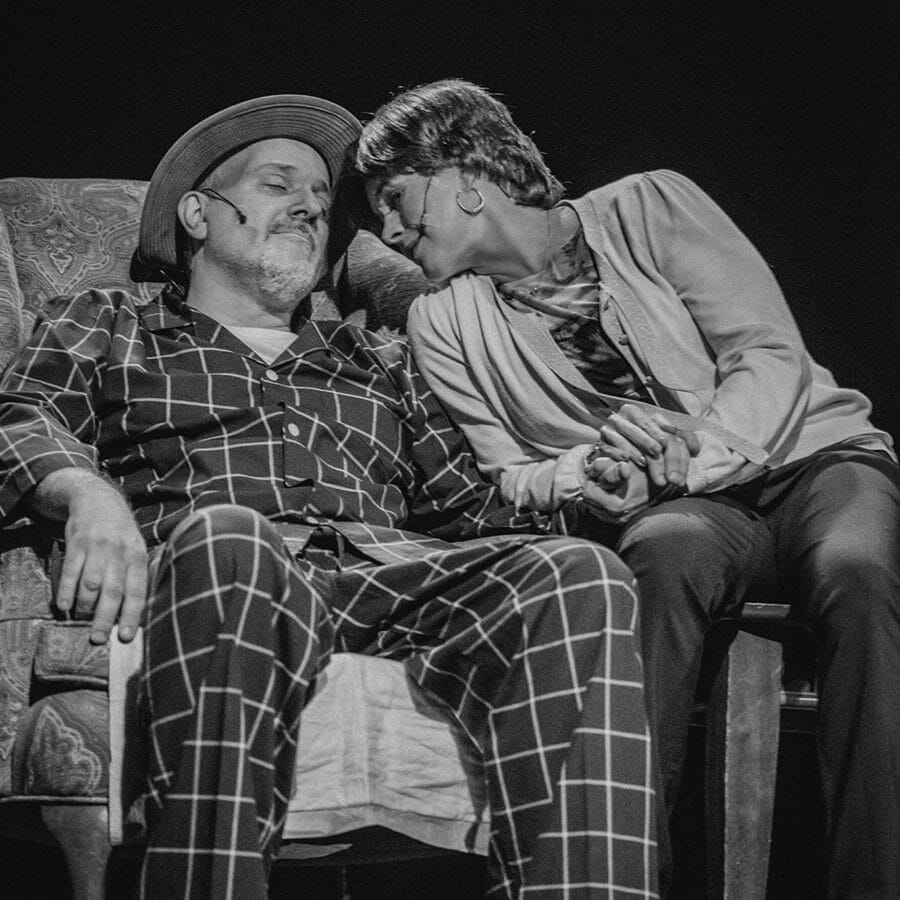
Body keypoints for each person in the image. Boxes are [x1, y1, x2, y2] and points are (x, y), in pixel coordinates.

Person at [0, 94, 662, 899]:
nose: (311, 206)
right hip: (220, 571)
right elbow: (21, 414)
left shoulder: (379, 358)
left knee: (580, 576)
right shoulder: (113, 322)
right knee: (230, 539)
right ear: (201, 215)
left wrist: (584, 486)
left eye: (319, 198)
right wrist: (84, 494)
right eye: (280, 184)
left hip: (387, 576)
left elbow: (471, 506)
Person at [353, 79, 900, 898]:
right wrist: (596, 473)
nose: (388, 230)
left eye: (396, 199)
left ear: (465, 168)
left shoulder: (653, 205)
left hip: (812, 458)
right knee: (659, 553)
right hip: (683, 509)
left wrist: (694, 449)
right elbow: (511, 469)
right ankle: (620, 880)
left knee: (857, 574)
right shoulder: (445, 323)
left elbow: (768, 355)